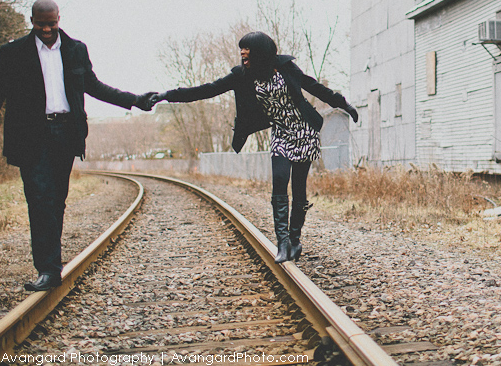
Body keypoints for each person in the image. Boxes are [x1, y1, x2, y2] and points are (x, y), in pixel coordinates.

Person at [0, 0, 156, 292]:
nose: (46, 29)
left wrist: (134, 100)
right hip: (31, 136)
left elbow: (94, 86)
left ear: (58, 19)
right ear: (32, 21)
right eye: (40, 24)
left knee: (56, 200)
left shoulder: (76, 50)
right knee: (39, 198)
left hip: (66, 133)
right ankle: (49, 269)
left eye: (51, 23)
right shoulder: (14, 53)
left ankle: (51, 264)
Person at [150, 31, 358, 263]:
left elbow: (314, 87)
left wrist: (344, 104)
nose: (242, 56)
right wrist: (166, 95)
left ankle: (295, 239)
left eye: (247, 52)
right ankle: (282, 243)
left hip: (304, 130)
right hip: (280, 132)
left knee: (299, 188)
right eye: (242, 53)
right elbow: (205, 89)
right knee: (279, 180)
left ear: (261, 53)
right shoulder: (242, 75)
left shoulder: (287, 68)